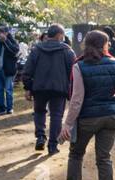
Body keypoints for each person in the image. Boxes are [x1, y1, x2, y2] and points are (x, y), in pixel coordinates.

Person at [58, 30, 115, 180]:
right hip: (111, 117)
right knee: (104, 157)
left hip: (87, 118)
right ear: (104, 45)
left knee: (76, 154)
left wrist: (68, 123)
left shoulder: (79, 66)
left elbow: (77, 99)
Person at [22, 23, 76, 154]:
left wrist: (28, 87)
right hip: (59, 89)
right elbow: (74, 72)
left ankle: (40, 136)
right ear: (60, 35)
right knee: (56, 115)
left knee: (39, 112)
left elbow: (27, 70)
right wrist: (72, 90)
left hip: (39, 88)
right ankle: (53, 145)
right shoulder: (67, 51)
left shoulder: (36, 50)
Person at [0, 25, 20, 115]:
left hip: (8, 69)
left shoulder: (12, 41)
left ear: (7, 33)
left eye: (2, 32)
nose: (0, 34)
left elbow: (14, 51)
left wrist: (5, 41)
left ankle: (9, 108)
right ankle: (1, 107)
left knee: (8, 89)